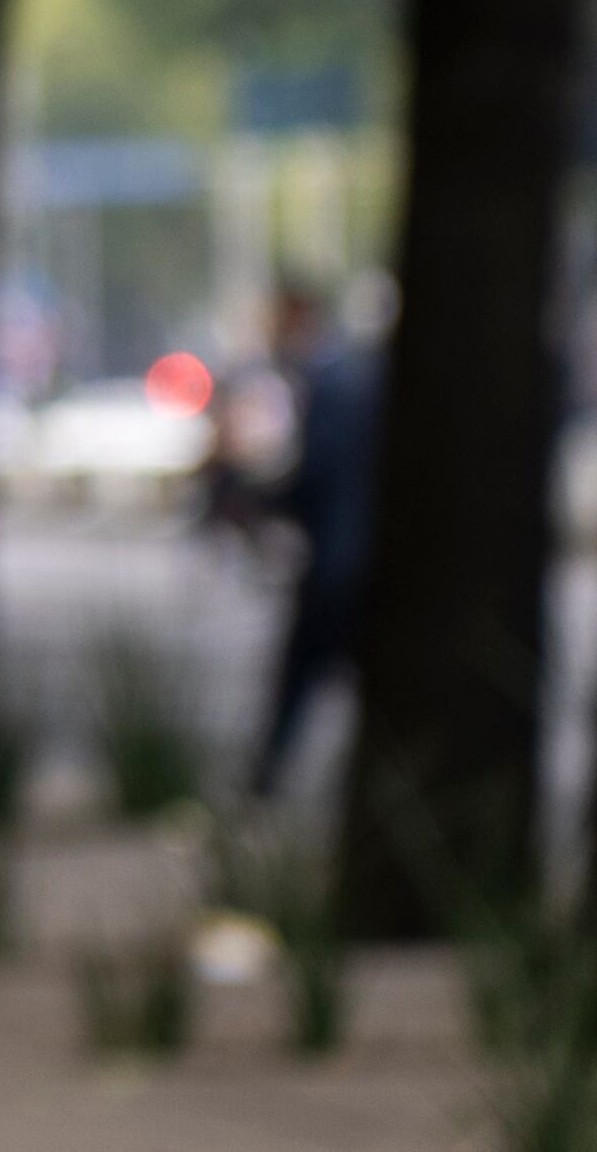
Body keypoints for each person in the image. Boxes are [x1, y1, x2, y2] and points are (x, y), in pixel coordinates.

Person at [248, 278, 387, 802]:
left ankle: (263, 788)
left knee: (298, 681)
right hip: (354, 560)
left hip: (336, 566)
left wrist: (257, 497)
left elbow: (318, 478)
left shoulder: (331, 385)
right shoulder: (356, 374)